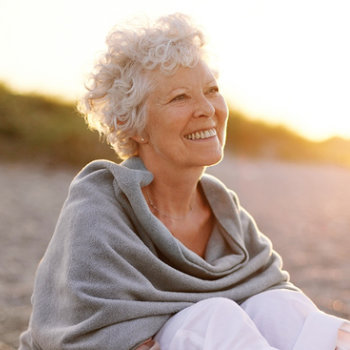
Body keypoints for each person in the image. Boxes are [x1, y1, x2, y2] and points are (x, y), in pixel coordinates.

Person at [19, 13, 350, 350]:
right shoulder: (99, 207)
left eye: (212, 90)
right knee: (213, 316)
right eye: (180, 97)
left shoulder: (226, 214)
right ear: (131, 123)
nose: (207, 108)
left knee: (278, 304)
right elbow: (73, 326)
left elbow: (273, 292)